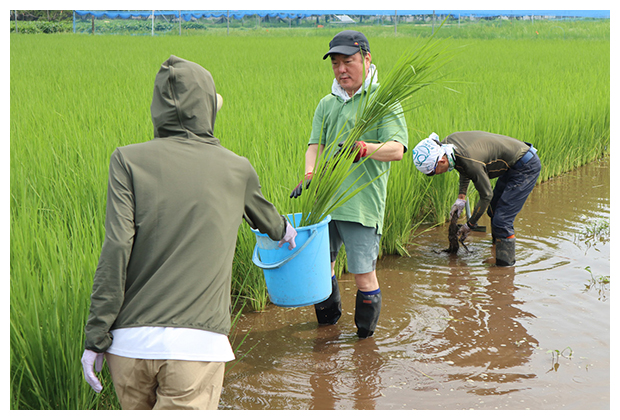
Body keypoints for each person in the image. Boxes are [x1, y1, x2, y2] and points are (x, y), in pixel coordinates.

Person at [80, 55, 297, 410]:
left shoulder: (126, 160)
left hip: (128, 347)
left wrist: (95, 337)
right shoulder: (236, 168)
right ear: (208, 108)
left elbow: (117, 246)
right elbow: (271, 223)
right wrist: (285, 230)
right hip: (195, 349)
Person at [290, 30, 408, 338]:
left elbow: (397, 149)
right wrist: (310, 175)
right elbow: (314, 145)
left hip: (361, 205)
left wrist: (365, 148)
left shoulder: (382, 101)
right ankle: (327, 336)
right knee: (321, 271)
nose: (341, 69)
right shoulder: (327, 104)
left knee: (362, 275)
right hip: (326, 205)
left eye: (349, 61)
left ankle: (364, 343)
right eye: (336, 64)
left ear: (367, 59)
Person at [411, 131, 541, 266]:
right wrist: (461, 198)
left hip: (526, 166)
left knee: (502, 220)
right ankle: (497, 253)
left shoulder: (467, 159)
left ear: (441, 161)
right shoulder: (446, 146)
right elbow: (463, 166)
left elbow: (486, 195)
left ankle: (505, 268)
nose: (435, 174)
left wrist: (470, 224)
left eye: (433, 172)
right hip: (514, 164)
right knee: (493, 211)